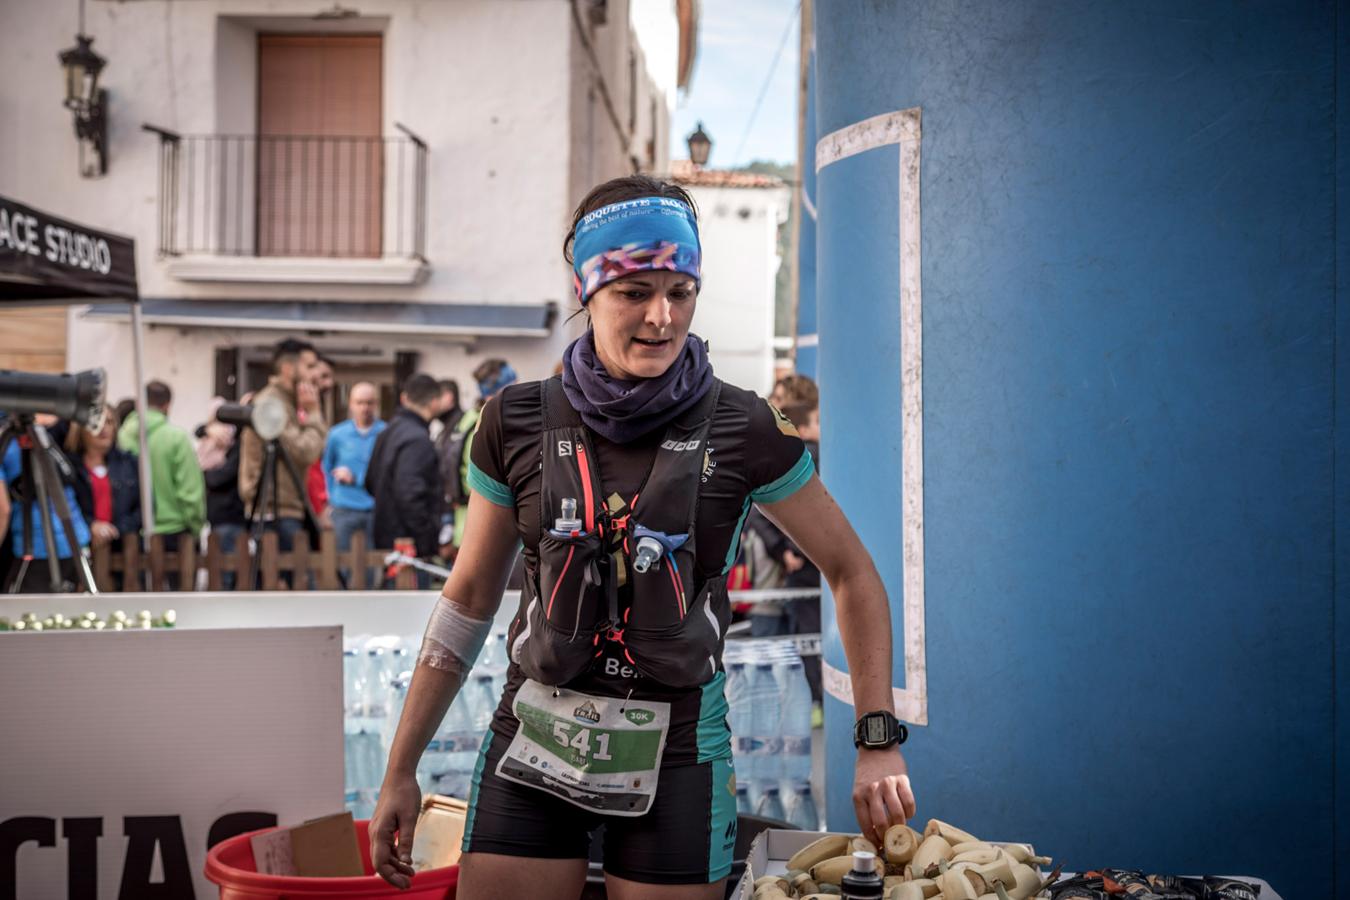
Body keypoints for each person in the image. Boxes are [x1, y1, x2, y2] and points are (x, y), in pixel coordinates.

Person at [370, 177, 915, 898]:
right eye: (634, 292)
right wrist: (400, 766)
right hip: (535, 739)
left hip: (679, 750)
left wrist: (876, 742)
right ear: (585, 289)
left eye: (681, 290)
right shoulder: (514, 420)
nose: (662, 317)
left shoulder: (744, 426)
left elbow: (852, 574)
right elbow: (468, 598)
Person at [238, 339, 327, 579]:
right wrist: (315, 414)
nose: (316, 374)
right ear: (288, 368)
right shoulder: (271, 404)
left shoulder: (284, 402)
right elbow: (305, 451)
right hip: (275, 512)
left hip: (284, 509)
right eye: (309, 366)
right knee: (291, 588)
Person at [116, 380, 206, 579]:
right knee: (180, 604)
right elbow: (190, 491)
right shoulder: (176, 438)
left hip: (132, 532)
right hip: (175, 530)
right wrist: (195, 525)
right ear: (167, 405)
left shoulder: (121, 436)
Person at [1, 413, 93, 592]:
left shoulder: (11, 441)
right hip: (76, 540)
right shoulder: (49, 430)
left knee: (20, 613)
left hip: (36, 546)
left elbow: (2, 510)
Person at [365, 373, 443, 587]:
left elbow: (370, 482)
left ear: (404, 398)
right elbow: (410, 493)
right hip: (408, 548)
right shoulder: (418, 440)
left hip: (385, 538)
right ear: (435, 402)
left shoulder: (387, 432)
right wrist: (425, 538)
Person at [445, 359, 517, 556]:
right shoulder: (492, 424)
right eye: (515, 386)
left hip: (465, 525)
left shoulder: (469, 418)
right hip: (485, 529)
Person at [66, 405, 141, 587]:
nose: (104, 428)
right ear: (82, 428)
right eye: (97, 422)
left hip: (123, 551)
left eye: (109, 422)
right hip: (81, 551)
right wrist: (90, 525)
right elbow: (66, 505)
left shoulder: (129, 463)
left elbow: (144, 507)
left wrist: (114, 529)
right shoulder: (68, 466)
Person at [323, 381, 386, 581]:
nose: (364, 408)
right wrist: (329, 499)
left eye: (369, 403)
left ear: (376, 404)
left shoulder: (385, 433)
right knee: (342, 564)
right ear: (351, 404)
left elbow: (387, 472)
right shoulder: (337, 434)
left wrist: (356, 478)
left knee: (370, 566)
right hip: (344, 509)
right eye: (359, 402)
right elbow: (326, 468)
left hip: (374, 508)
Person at [198, 398, 247, 589]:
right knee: (219, 572)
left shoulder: (239, 445)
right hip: (217, 517)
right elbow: (199, 429)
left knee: (227, 575)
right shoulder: (213, 439)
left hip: (230, 516)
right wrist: (205, 430)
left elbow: (219, 477)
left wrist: (201, 475)